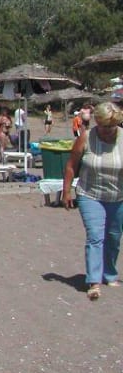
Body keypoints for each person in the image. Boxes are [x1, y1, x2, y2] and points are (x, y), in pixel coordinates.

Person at [62, 102, 123, 301]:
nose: (107, 131)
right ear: (97, 123)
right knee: (95, 236)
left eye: (112, 127)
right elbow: (71, 166)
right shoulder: (86, 138)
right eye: (104, 127)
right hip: (90, 194)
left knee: (113, 237)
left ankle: (110, 274)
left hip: (118, 196)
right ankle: (94, 281)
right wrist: (66, 190)